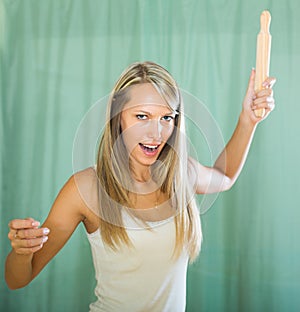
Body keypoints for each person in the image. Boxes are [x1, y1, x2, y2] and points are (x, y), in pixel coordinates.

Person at [5, 62, 276, 311]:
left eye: (166, 118)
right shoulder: (86, 188)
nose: (155, 133)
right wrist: (21, 252)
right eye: (142, 116)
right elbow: (18, 279)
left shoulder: (181, 174)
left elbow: (224, 176)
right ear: (118, 117)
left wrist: (248, 120)